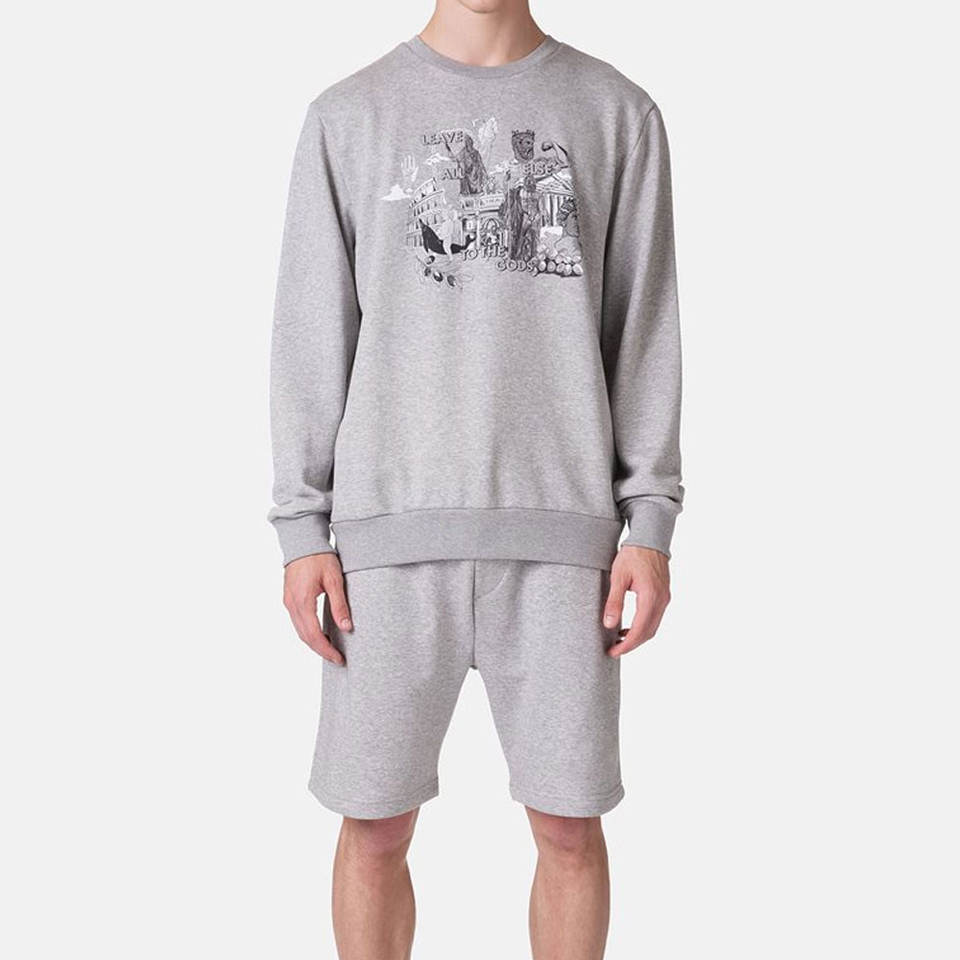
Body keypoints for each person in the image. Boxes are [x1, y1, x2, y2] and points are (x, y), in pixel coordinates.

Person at [268, 1, 683, 957]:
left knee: (569, 830)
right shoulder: (348, 116)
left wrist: (650, 523)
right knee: (374, 829)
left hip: (565, 545)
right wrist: (301, 530)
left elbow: (645, 329)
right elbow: (310, 333)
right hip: (384, 547)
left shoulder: (618, 114)